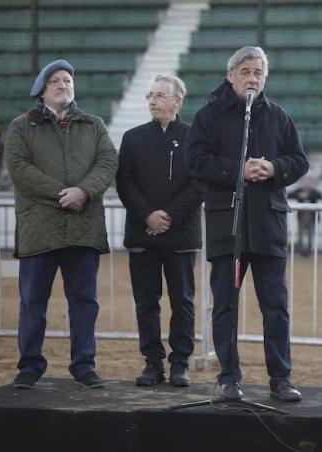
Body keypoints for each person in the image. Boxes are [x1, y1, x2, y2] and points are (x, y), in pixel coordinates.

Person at [185, 46, 309, 402]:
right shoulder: (210, 115)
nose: (252, 78)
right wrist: (236, 169)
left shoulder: (278, 116)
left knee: (276, 306)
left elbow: (299, 161)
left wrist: (273, 169)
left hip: (269, 226)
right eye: (245, 72)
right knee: (225, 305)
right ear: (231, 75)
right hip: (228, 226)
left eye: (258, 72)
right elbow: (195, 162)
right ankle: (228, 379)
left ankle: (281, 378)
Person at [4, 59, 118, 390]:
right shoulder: (22, 126)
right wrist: (62, 194)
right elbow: (19, 169)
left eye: (67, 80)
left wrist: (84, 191)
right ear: (41, 91)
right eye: (55, 80)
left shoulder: (94, 124)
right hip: (39, 231)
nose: (63, 84)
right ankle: (30, 366)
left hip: (84, 230)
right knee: (33, 302)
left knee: (84, 302)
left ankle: (84, 365)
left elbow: (108, 161)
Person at [116, 74, 205, 387]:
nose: (152, 101)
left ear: (177, 101)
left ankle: (180, 362)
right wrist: (148, 216)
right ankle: (152, 363)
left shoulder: (196, 138)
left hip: (181, 235)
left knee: (182, 300)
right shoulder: (132, 137)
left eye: (159, 95)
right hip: (143, 234)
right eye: (149, 95)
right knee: (146, 302)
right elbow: (124, 182)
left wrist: (167, 216)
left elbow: (199, 185)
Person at [288, 175, 322, 256]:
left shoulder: (315, 192)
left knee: (310, 235)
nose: (308, 183)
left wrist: (308, 195)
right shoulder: (299, 191)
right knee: (300, 235)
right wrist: (300, 195)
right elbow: (290, 195)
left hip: (312, 217)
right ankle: (301, 252)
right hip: (301, 217)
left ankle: (308, 252)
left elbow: (320, 197)